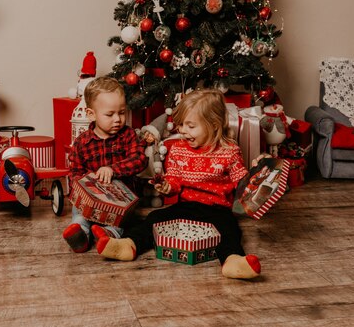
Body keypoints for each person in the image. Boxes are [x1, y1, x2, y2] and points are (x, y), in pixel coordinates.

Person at [96, 89, 261, 279]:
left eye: (190, 126)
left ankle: (232, 260)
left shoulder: (230, 151)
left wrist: (257, 171)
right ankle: (128, 244)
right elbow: (173, 178)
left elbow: (242, 182)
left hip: (217, 209)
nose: (182, 130)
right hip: (186, 207)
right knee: (154, 218)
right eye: (181, 124)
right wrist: (167, 186)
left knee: (230, 229)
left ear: (214, 125)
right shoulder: (178, 150)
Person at [63, 76, 147, 253]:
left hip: (120, 200)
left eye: (122, 112)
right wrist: (88, 189)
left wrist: (113, 170)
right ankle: (81, 234)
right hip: (91, 199)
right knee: (79, 213)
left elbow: (139, 159)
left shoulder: (128, 136)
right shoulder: (81, 143)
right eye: (110, 114)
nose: (117, 119)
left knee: (119, 222)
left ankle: (107, 235)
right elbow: (75, 174)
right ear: (91, 114)